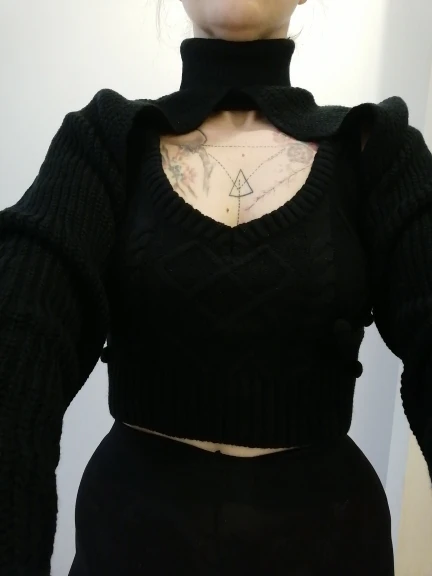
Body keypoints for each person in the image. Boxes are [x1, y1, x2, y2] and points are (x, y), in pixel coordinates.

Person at [1, 0, 432, 574]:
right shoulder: (103, 139)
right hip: (130, 547)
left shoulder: (378, 147)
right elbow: (21, 331)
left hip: (330, 547)